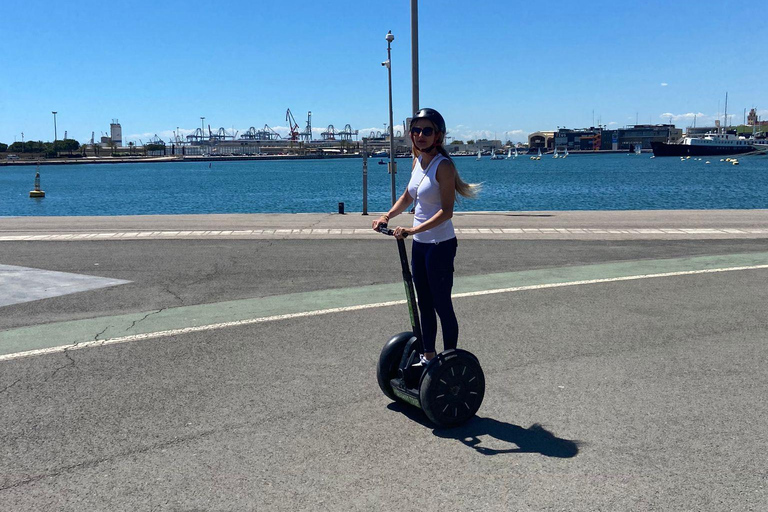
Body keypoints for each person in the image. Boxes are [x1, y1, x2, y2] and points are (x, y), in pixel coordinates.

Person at [372, 108, 479, 365]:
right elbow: (408, 196)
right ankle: (428, 356)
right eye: (416, 130)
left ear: (438, 136)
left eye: (427, 130)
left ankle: (450, 361)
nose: (420, 135)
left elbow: (446, 211)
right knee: (424, 303)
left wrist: (413, 229)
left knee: (442, 304)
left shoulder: (444, 167)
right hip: (420, 245)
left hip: (440, 245)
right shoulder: (417, 161)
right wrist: (387, 216)